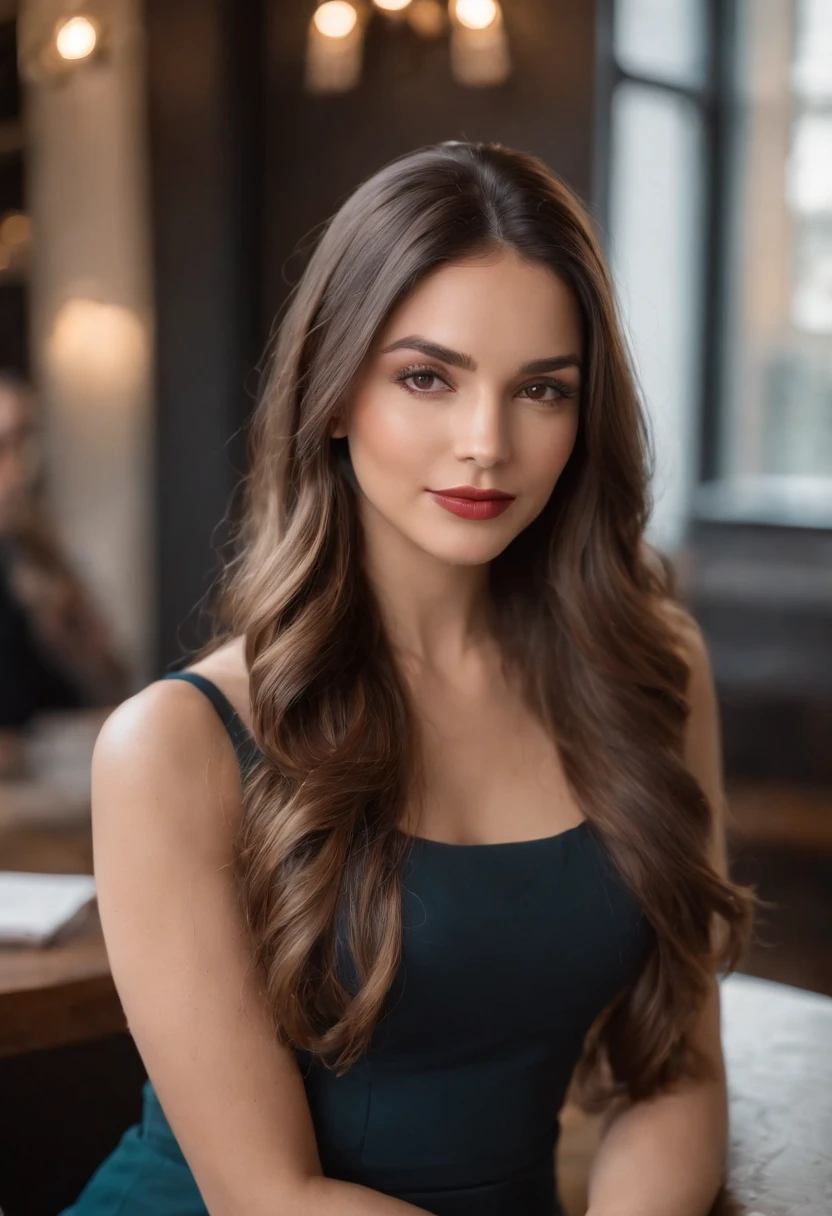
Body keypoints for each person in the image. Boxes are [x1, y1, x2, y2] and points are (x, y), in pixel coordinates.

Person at [62, 141, 756, 1216]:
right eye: (426, 377)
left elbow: (676, 1067)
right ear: (333, 392)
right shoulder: (175, 742)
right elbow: (269, 1193)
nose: (486, 443)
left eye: (540, 389)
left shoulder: (652, 671)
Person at [0, 372, 131, 776]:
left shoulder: (40, 555)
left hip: (57, 804)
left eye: (25, 443)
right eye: (3, 447)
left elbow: (113, 681)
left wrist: (68, 627)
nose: (22, 469)